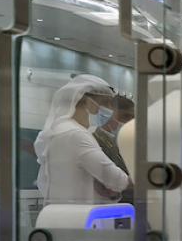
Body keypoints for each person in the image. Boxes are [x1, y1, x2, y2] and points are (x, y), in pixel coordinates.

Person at [35, 75, 131, 204]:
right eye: (107, 104)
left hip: (60, 211)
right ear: (89, 103)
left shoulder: (57, 131)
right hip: (81, 213)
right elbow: (115, 179)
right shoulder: (76, 134)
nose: (110, 111)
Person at [94, 94, 135, 202]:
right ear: (109, 115)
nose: (129, 122)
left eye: (133, 118)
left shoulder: (120, 142)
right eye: (125, 117)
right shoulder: (95, 141)